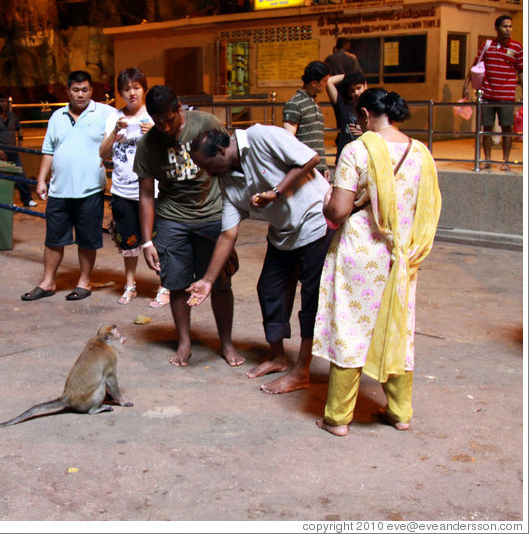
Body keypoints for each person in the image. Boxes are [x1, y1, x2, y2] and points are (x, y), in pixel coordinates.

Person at [312, 88, 442, 436]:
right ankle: (400, 412)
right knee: (397, 327)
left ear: (367, 114)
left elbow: (339, 211)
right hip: (401, 256)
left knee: (350, 327)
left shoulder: (357, 150)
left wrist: (327, 199)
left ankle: (338, 418)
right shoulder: (421, 153)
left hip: (361, 252)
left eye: (358, 117)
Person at [187, 125, 331, 394]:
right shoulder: (226, 180)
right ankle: (277, 357)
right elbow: (228, 234)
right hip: (283, 233)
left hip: (315, 222)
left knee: (311, 299)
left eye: (207, 165)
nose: (207, 173)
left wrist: (277, 191)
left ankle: (302, 370)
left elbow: (311, 158)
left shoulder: (260, 136)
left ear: (221, 151)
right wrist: (207, 281)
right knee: (269, 289)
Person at [133, 85, 244, 368]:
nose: (165, 127)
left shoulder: (206, 123)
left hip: (212, 214)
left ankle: (226, 342)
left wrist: (235, 209)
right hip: (172, 218)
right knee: (176, 283)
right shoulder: (147, 145)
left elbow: (229, 159)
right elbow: (146, 194)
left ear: (179, 107)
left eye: (169, 120)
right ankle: (184, 342)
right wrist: (147, 241)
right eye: (158, 122)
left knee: (220, 282)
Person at [21, 70, 115, 302]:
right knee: (54, 238)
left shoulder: (105, 113)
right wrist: (42, 179)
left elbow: (129, 123)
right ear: (68, 91)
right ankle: (48, 281)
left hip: (90, 189)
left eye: (85, 90)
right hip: (59, 190)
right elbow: (48, 150)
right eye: (76, 90)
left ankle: (84, 281)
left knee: (87, 239)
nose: (80, 95)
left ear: (91, 91)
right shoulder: (57, 117)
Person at [99, 67, 169, 307]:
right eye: (126, 89)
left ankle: (164, 285)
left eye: (136, 88)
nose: (132, 93)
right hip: (122, 191)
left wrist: (156, 134)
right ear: (120, 93)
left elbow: (170, 151)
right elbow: (102, 153)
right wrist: (115, 132)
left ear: (144, 89)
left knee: (160, 241)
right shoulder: (113, 118)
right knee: (128, 242)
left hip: (154, 192)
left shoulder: (154, 117)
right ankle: (130, 285)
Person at [463, 15, 523, 170]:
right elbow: (475, 65)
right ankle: (488, 160)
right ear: (496, 28)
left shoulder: (517, 47)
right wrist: (465, 86)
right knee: (487, 128)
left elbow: (521, 71)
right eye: (504, 26)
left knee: (507, 129)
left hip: (507, 96)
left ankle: (506, 162)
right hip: (488, 95)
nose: (508, 29)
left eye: (510, 26)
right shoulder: (487, 45)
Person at [0, 93, 36, 207]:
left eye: (5, 101)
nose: (3, 104)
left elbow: (19, 129)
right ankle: (4, 200)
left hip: (13, 151)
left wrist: (20, 144)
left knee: (21, 175)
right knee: (2, 177)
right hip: (0, 153)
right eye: (1, 102)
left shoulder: (13, 116)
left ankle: (27, 199)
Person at [283, 61, 330, 179]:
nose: (326, 84)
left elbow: (316, 138)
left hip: (318, 166)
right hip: (305, 166)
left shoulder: (313, 102)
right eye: (324, 81)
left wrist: (323, 165)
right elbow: (289, 139)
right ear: (314, 83)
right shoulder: (295, 103)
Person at [326, 71, 367, 164]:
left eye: (359, 88)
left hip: (364, 157)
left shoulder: (372, 105)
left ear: (365, 85)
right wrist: (349, 76)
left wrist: (365, 131)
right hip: (345, 158)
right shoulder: (342, 105)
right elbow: (329, 82)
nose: (356, 93)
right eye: (352, 90)